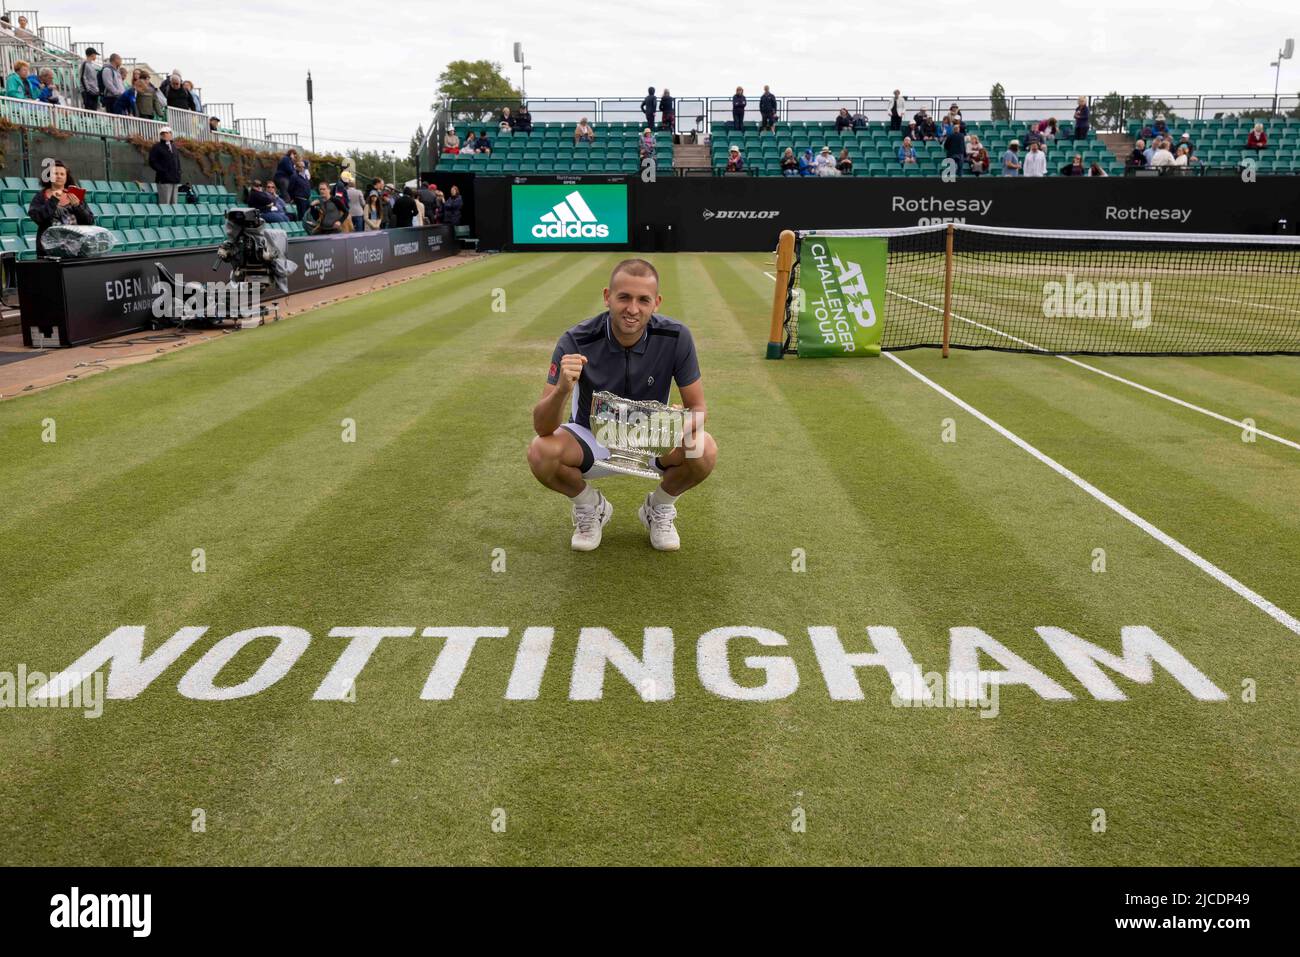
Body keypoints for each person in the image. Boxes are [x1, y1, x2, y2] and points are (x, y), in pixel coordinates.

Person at [526, 259, 716, 552]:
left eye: (643, 300)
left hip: (651, 437)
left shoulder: (676, 336)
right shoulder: (576, 339)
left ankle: (658, 508)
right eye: (624, 297)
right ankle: (591, 507)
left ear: (657, 303)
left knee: (702, 447)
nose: (632, 309)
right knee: (541, 452)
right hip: (592, 436)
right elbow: (542, 426)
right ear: (607, 297)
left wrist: (676, 425)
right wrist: (563, 389)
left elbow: (699, 408)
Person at [28, 160, 95, 256]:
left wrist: (77, 206)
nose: (59, 176)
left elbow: (90, 221)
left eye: (62, 174)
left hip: (76, 249)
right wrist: (53, 200)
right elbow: (37, 218)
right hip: (49, 250)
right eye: (55, 173)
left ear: (66, 177)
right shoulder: (40, 196)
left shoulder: (75, 196)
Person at [149, 127, 183, 204]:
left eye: (167, 133)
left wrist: (179, 172)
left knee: (174, 203)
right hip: (164, 180)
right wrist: (163, 171)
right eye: (163, 134)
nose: (166, 135)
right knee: (165, 203)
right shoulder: (157, 147)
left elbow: (177, 161)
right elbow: (152, 161)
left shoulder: (173, 147)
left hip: (174, 179)